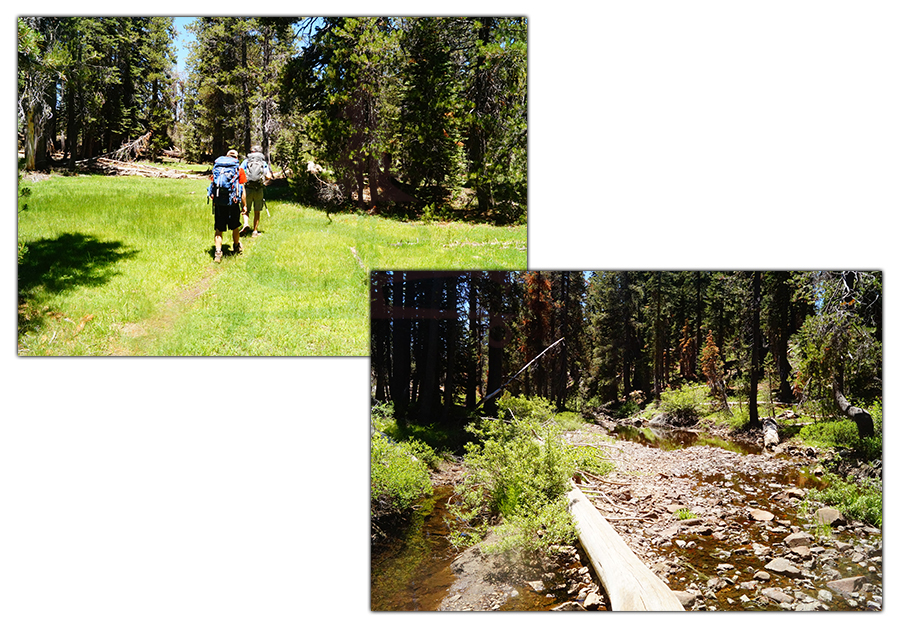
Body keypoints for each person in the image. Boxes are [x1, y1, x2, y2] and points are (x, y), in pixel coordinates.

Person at [209, 149, 247, 263]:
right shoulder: (238, 169)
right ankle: (236, 247)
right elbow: (242, 189)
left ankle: (218, 253)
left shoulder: (218, 168)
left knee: (219, 229)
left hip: (220, 202)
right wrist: (244, 205)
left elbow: (213, 185)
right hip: (233, 203)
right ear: (236, 158)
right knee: (235, 227)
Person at [239, 145, 273, 237]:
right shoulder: (262, 162)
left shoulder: (246, 161)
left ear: (252, 152)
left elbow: (240, 172)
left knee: (245, 209)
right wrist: (263, 180)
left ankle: (246, 224)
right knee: (257, 211)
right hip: (259, 189)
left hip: (247, 189)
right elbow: (269, 176)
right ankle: (254, 231)